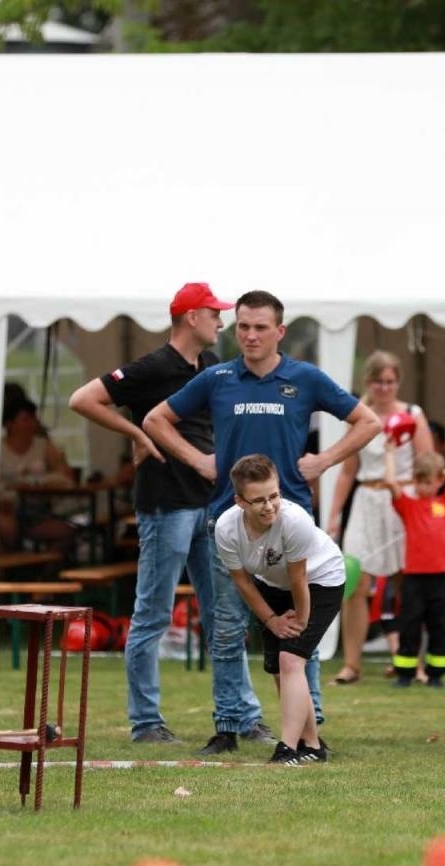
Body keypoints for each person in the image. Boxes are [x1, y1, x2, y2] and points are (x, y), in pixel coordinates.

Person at [143, 289, 381, 755]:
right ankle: (229, 724)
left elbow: (368, 422)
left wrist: (324, 460)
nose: (249, 335)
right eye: (243, 327)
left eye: (259, 327)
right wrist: (200, 461)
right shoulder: (217, 378)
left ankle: (309, 731)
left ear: (280, 331)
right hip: (228, 522)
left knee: (299, 629)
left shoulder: (304, 378)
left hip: (292, 524)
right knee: (228, 627)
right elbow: (156, 420)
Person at [68, 281, 229, 743]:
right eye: (214, 312)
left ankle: (237, 715)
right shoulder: (154, 366)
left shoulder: (212, 367)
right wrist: (137, 434)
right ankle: (146, 723)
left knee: (223, 616)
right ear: (191, 317)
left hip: (208, 506)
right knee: (153, 616)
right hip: (165, 505)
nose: (221, 320)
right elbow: (83, 399)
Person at [215, 455, 343, 764]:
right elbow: (243, 582)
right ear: (239, 501)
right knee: (278, 668)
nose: (269, 505)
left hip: (320, 581)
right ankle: (311, 745)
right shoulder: (225, 528)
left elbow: (299, 578)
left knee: (291, 659)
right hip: (271, 585)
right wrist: (271, 621)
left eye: (274, 496)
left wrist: (300, 621)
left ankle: (287, 748)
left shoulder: (295, 520)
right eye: (258, 500)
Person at [325, 350, 432, 685]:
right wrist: (333, 516)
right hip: (367, 498)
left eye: (390, 381)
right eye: (378, 381)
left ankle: (410, 661)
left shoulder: (413, 414)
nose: (385, 387)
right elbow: (347, 472)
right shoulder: (359, 416)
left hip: (403, 497)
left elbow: (428, 463)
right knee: (355, 581)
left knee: (408, 583)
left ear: (398, 381)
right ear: (368, 381)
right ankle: (351, 664)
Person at [384, 451, 445, 688]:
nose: (423, 487)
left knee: (439, 625)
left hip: (440, 577)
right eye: (419, 481)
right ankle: (405, 673)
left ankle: (436, 673)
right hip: (414, 577)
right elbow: (391, 482)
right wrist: (392, 454)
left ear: (440, 480)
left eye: (428, 482)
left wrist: (437, 472)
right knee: (409, 624)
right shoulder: (408, 506)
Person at [0, 395, 79, 551]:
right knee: (6, 529)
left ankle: (43, 571)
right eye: (25, 419)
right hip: (7, 512)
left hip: (38, 514)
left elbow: (66, 476)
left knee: (67, 533)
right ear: (9, 424)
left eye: (33, 418)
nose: (31, 424)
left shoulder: (43, 445)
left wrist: (42, 481)